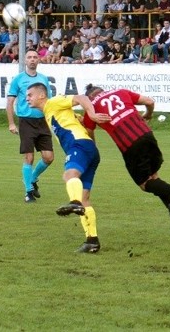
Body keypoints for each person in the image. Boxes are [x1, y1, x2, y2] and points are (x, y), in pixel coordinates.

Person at [83, 85, 170, 236]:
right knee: (154, 178)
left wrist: (93, 148)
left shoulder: (91, 107)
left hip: (130, 145)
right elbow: (150, 101)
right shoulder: (121, 92)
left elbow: (89, 132)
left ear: (90, 97)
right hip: (147, 135)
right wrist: (148, 115)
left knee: (145, 184)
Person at [25, 83, 110, 253]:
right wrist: (92, 143)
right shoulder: (55, 112)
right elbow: (83, 124)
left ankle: (74, 202)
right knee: (86, 199)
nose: (27, 98)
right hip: (89, 149)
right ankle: (92, 241)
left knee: (69, 175)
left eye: (30, 95)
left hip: (78, 146)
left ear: (41, 95)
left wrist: (92, 114)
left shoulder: (54, 102)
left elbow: (81, 98)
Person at [6, 50, 55, 202]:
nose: (32, 60)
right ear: (25, 60)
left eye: (35, 57)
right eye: (29, 57)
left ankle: (32, 178)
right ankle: (28, 192)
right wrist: (12, 123)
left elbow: (49, 103)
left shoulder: (43, 79)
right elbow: (10, 102)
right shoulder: (18, 79)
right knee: (29, 157)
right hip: (26, 121)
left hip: (42, 121)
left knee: (49, 157)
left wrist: (53, 121)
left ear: (38, 60)